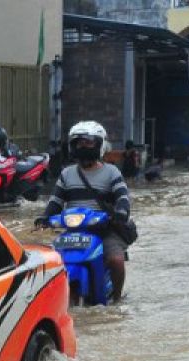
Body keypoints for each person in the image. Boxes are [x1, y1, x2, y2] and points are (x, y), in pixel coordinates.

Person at [36, 120, 132, 303]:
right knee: (50, 263)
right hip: (73, 231)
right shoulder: (66, 174)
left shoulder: (112, 172)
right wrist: (45, 217)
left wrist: (121, 211)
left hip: (105, 229)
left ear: (99, 144)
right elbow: (56, 201)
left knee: (116, 261)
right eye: (79, 143)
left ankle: (117, 298)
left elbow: (122, 197)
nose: (83, 146)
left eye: (88, 142)